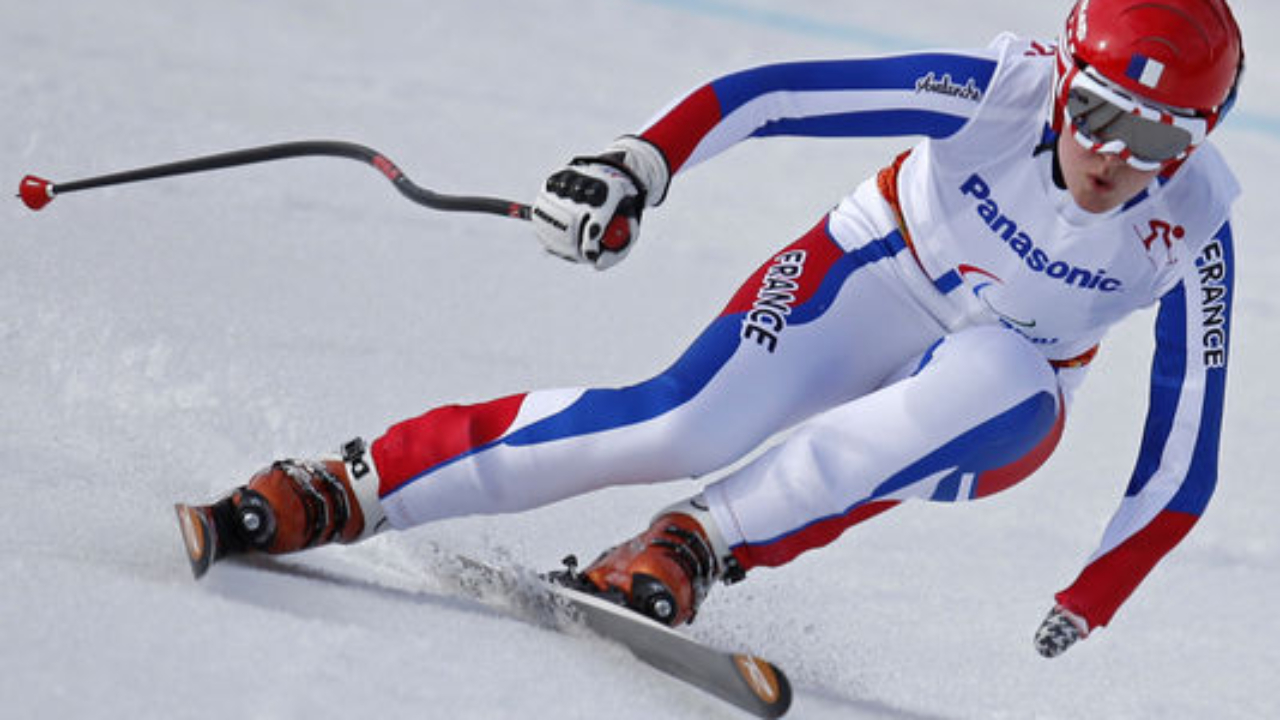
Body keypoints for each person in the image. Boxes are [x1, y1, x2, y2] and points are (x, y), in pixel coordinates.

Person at [176, 0, 1244, 659]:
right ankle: (348, 486)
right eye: (1099, 113)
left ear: (1194, 139)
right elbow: (772, 91)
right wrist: (640, 163)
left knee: (1001, 368)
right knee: (677, 426)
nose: (1114, 156)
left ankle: (694, 545)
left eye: (1156, 136)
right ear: (1062, 80)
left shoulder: (1192, 225)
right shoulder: (999, 95)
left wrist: (1093, 591)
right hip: (872, 268)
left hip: (998, 393)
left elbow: (1182, 454)